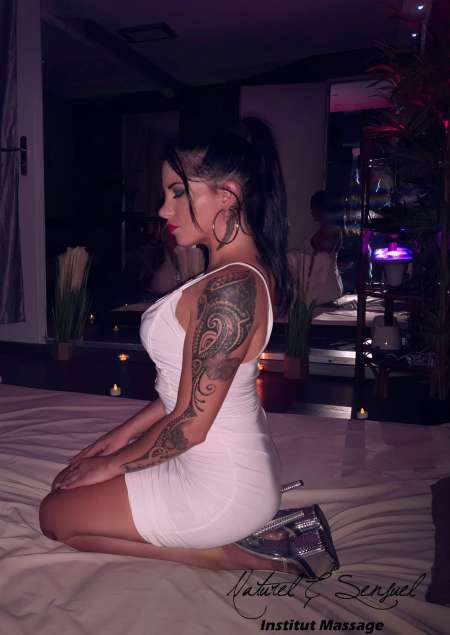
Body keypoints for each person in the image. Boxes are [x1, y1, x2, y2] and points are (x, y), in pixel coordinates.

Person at [39, 117, 306, 575]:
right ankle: (226, 540)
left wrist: (112, 466)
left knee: (54, 517)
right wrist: (117, 437)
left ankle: (231, 555)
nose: (164, 210)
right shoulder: (233, 275)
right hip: (224, 468)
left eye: (178, 192)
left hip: (220, 488)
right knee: (65, 500)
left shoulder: (232, 289)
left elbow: (190, 426)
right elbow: (184, 391)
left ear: (227, 195)